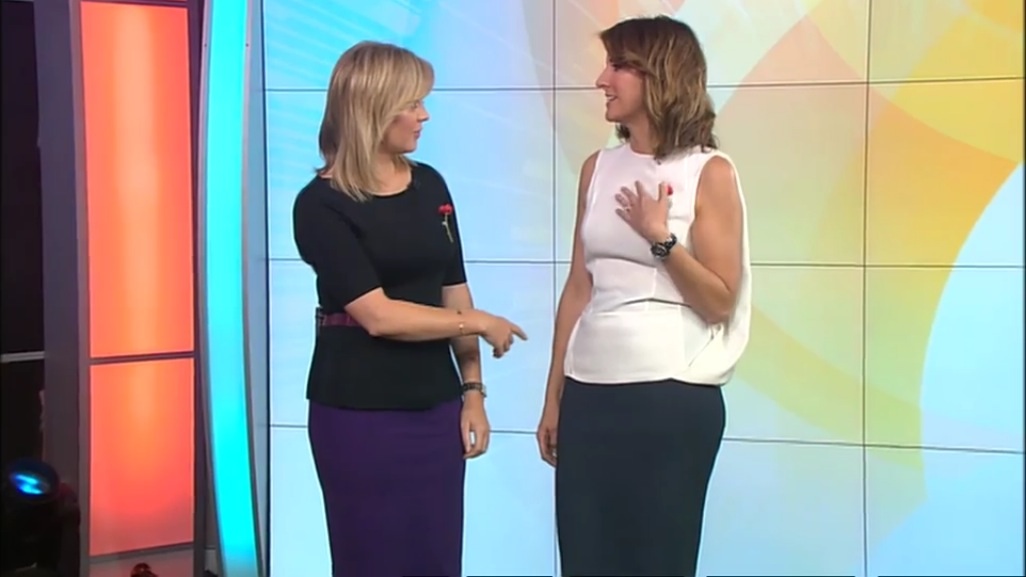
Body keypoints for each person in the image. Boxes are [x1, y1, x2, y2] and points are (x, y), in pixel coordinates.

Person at [292, 41, 527, 577]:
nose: (425, 116)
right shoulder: (320, 205)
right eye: (412, 103)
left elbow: (454, 288)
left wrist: (473, 392)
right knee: (370, 559)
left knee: (436, 559)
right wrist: (480, 323)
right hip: (357, 414)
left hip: (435, 408)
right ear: (373, 109)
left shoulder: (430, 185)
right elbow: (379, 315)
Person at [536, 16, 752, 577]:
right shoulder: (597, 168)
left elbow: (720, 301)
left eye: (618, 67)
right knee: (585, 559)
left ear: (658, 76)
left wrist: (661, 239)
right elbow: (579, 287)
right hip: (589, 392)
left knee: (656, 561)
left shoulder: (709, 172)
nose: (601, 80)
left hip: (668, 397)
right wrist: (554, 396)